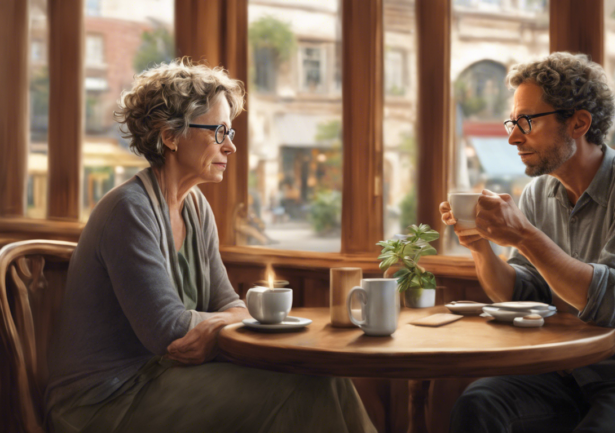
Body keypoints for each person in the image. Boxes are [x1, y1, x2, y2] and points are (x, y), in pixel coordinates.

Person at [45, 58, 376, 433]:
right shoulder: (128, 210)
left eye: (230, 133)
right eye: (219, 132)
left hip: (167, 378)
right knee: (305, 392)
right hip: (105, 400)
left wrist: (218, 324)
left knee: (326, 377)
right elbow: (168, 330)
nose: (231, 147)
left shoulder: (196, 207)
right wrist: (225, 324)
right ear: (170, 135)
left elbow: (231, 305)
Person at [440, 52, 615, 433]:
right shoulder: (539, 193)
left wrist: (525, 236)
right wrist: (480, 246)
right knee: (479, 403)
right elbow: (522, 293)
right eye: (512, 122)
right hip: (567, 371)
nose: (514, 136)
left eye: (527, 121)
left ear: (579, 122)